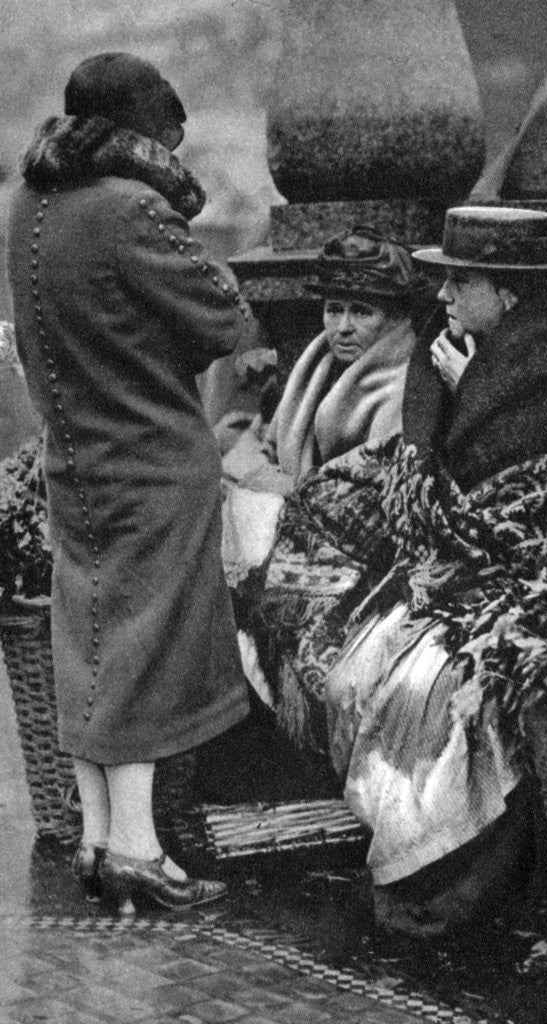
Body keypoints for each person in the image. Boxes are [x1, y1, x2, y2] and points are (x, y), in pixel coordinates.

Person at [259, 205, 547, 936]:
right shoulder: (451, 354)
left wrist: (470, 389)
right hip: (449, 567)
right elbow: (424, 478)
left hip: (528, 578)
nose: (444, 298)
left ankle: (453, 875)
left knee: (427, 689)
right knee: (354, 669)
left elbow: (520, 507)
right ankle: (418, 861)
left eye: (460, 282)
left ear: (508, 294)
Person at [5, 52, 256, 915]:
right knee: (144, 653)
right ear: (143, 133)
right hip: (153, 461)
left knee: (88, 642)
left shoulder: (28, 202)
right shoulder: (131, 210)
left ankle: (100, 838)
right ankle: (141, 850)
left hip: (73, 460)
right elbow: (224, 318)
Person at [220, 227, 425, 493]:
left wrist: (292, 488)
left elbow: (379, 496)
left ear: (396, 319)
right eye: (334, 309)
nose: (343, 327)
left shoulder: (405, 389)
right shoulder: (316, 367)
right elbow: (270, 449)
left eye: (362, 312)